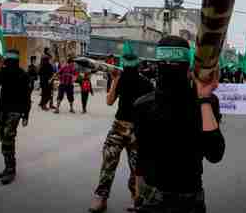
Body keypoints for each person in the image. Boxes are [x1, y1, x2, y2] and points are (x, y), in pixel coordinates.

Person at [133, 36, 225, 212]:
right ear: (189, 68)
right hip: (175, 199)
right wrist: (204, 99)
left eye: (173, 63)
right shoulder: (206, 102)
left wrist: (138, 196)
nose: (169, 67)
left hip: (172, 199)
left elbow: (215, 152)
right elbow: (215, 154)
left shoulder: (142, 105)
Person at [89, 42, 154, 213]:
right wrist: (116, 81)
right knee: (110, 161)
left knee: (136, 168)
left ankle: (137, 200)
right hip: (120, 127)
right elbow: (110, 101)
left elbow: (109, 101)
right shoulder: (128, 80)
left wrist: (117, 80)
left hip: (137, 131)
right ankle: (102, 197)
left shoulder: (145, 83)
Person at [0, 49, 31, 185]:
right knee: (2, 137)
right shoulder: (3, 71)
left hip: (15, 112)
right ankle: (8, 166)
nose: (10, 62)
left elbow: (27, 97)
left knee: (7, 139)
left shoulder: (23, 74)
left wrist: (26, 115)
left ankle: (10, 169)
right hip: (3, 110)